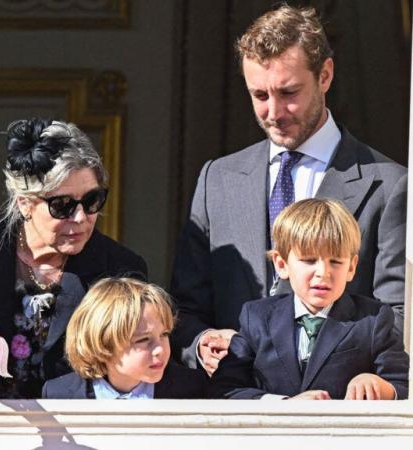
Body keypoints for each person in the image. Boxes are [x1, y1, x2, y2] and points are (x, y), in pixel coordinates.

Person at [171, 4, 407, 375]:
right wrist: (202, 343)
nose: (274, 112)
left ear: (325, 75)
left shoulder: (390, 184)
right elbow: (186, 308)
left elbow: (398, 315)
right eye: (260, 96)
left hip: (337, 410)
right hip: (232, 408)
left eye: (289, 92)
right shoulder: (217, 179)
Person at [0, 118, 148, 399]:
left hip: (72, 429)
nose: (80, 218)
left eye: (92, 201)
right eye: (62, 206)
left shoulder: (119, 269)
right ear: (25, 203)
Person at [209, 199, 409, 400]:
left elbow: (403, 384)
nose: (323, 272)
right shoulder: (257, 318)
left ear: (351, 267)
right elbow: (226, 388)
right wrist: (283, 404)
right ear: (282, 264)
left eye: (336, 262)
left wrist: (380, 385)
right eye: (309, 260)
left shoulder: (373, 320)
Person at [42, 277, 207, 399]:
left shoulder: (191, 388)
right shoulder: (59, 393)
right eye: (143, 340)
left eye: (164, 334)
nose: (160, 349)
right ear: (102, 344)